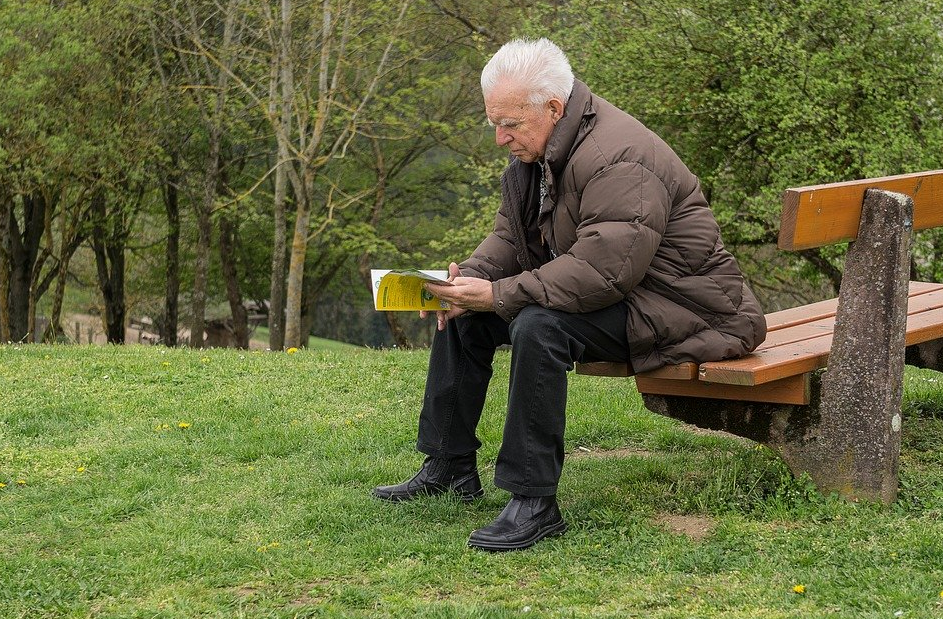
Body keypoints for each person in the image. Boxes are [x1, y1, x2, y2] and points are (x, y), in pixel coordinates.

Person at [372, 38, 766, 551]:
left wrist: (498, 294)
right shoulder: (541, 152)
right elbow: (512, 239)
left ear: (554, 108)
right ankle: (448, 465)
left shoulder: (619, 157)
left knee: (538, 324)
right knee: (467, 312)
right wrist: (467, 279)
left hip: (689, 311)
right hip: (630, 298)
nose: (499, 138)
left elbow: (604, 273)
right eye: (495, 122)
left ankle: (534, 501)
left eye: (510, 123)